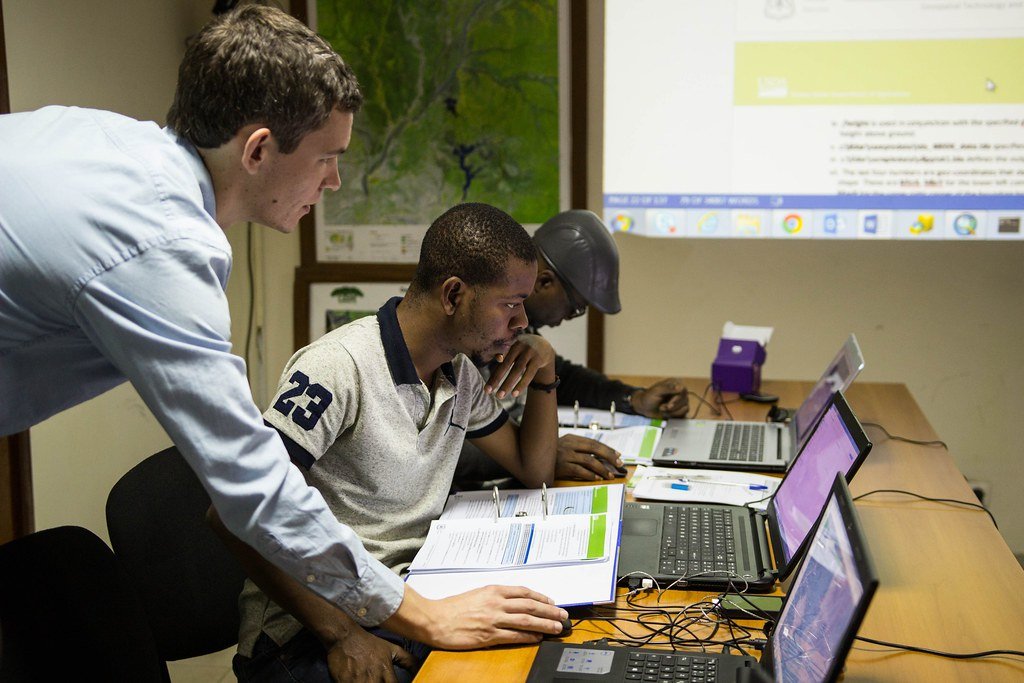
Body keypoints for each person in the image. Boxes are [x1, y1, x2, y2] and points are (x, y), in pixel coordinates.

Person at [0, 2, 564, 668]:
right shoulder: (163, 247)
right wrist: (422, 614)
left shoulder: (106, 145)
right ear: (260, 149)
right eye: (327, 158)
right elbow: (250, 484)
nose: (335, 181)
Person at [212, 202, 560, 682]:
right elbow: (232, 514)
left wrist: (546, 369)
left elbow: (532, 467)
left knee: (544, 648)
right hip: (312, 630)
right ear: (454, 294)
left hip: (406, 600)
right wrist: (342, 635)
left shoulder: (458, 373)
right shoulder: (336, 368)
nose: (522, 322)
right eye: (510, 304)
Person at [455, 210, 690, 484]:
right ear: (544, 282)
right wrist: (539, 454)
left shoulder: (516, 328)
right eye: (575, 307)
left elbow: (563, 379)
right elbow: (440, 444)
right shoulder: (472, 334)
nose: (569, 317)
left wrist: (632, 399)